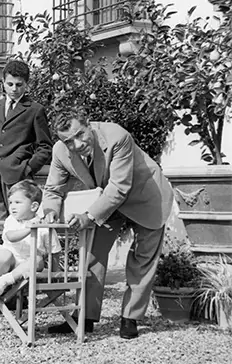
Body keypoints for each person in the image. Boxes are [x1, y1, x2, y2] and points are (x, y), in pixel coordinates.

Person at [42, 108, 175, 340]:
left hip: (146, 195)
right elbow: (53, 189)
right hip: (109, 202)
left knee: (142, 259)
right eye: (68, 141)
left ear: (88, 124)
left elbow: (120, 187)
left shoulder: (117, 136)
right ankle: (85, 317)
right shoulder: (60, 151)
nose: (77, 144)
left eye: (80, 134)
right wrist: (50, 212)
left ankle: (130, 318)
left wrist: (88, 216)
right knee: (92, 255)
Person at [0, 60, 52, 221]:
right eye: (10, 84)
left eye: (19, 84)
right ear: (3, 83)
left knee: (20, 226)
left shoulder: (35, 110)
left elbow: (45, 147)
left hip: (19, 178)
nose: (14, 89)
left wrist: (28, 169)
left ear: (26, 84)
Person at [0, 179, 61, 301]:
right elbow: (11, 237)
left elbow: (54, 250)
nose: (12, 207)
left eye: (17, 202)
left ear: (34, 206)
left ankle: (4, 282)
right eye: (10, 203)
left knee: (37, 260)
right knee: (3, 254)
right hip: (10, 262)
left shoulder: (43, 226)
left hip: (28, 266)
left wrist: (57, 275)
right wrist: (29, 230)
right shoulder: (11, 220)